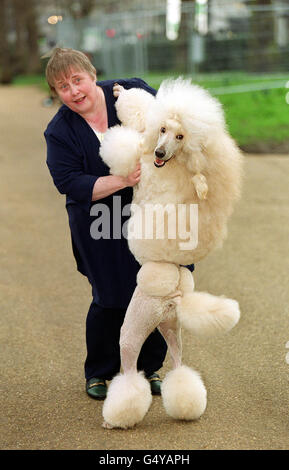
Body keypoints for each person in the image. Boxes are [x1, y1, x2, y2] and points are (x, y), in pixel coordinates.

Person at [44, 48, 194, 400]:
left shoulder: (130, 93)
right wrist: (123, 180)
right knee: (111, 296)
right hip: (100, 218)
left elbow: (173, 128)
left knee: (159, 289)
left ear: (92, 74)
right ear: (57, 93)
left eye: (77, 80)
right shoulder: (59, 131)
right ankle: (100, 371)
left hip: (154, 212)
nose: (74, 91)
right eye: (63, 87)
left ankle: (149, 369)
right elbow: (69, 182)